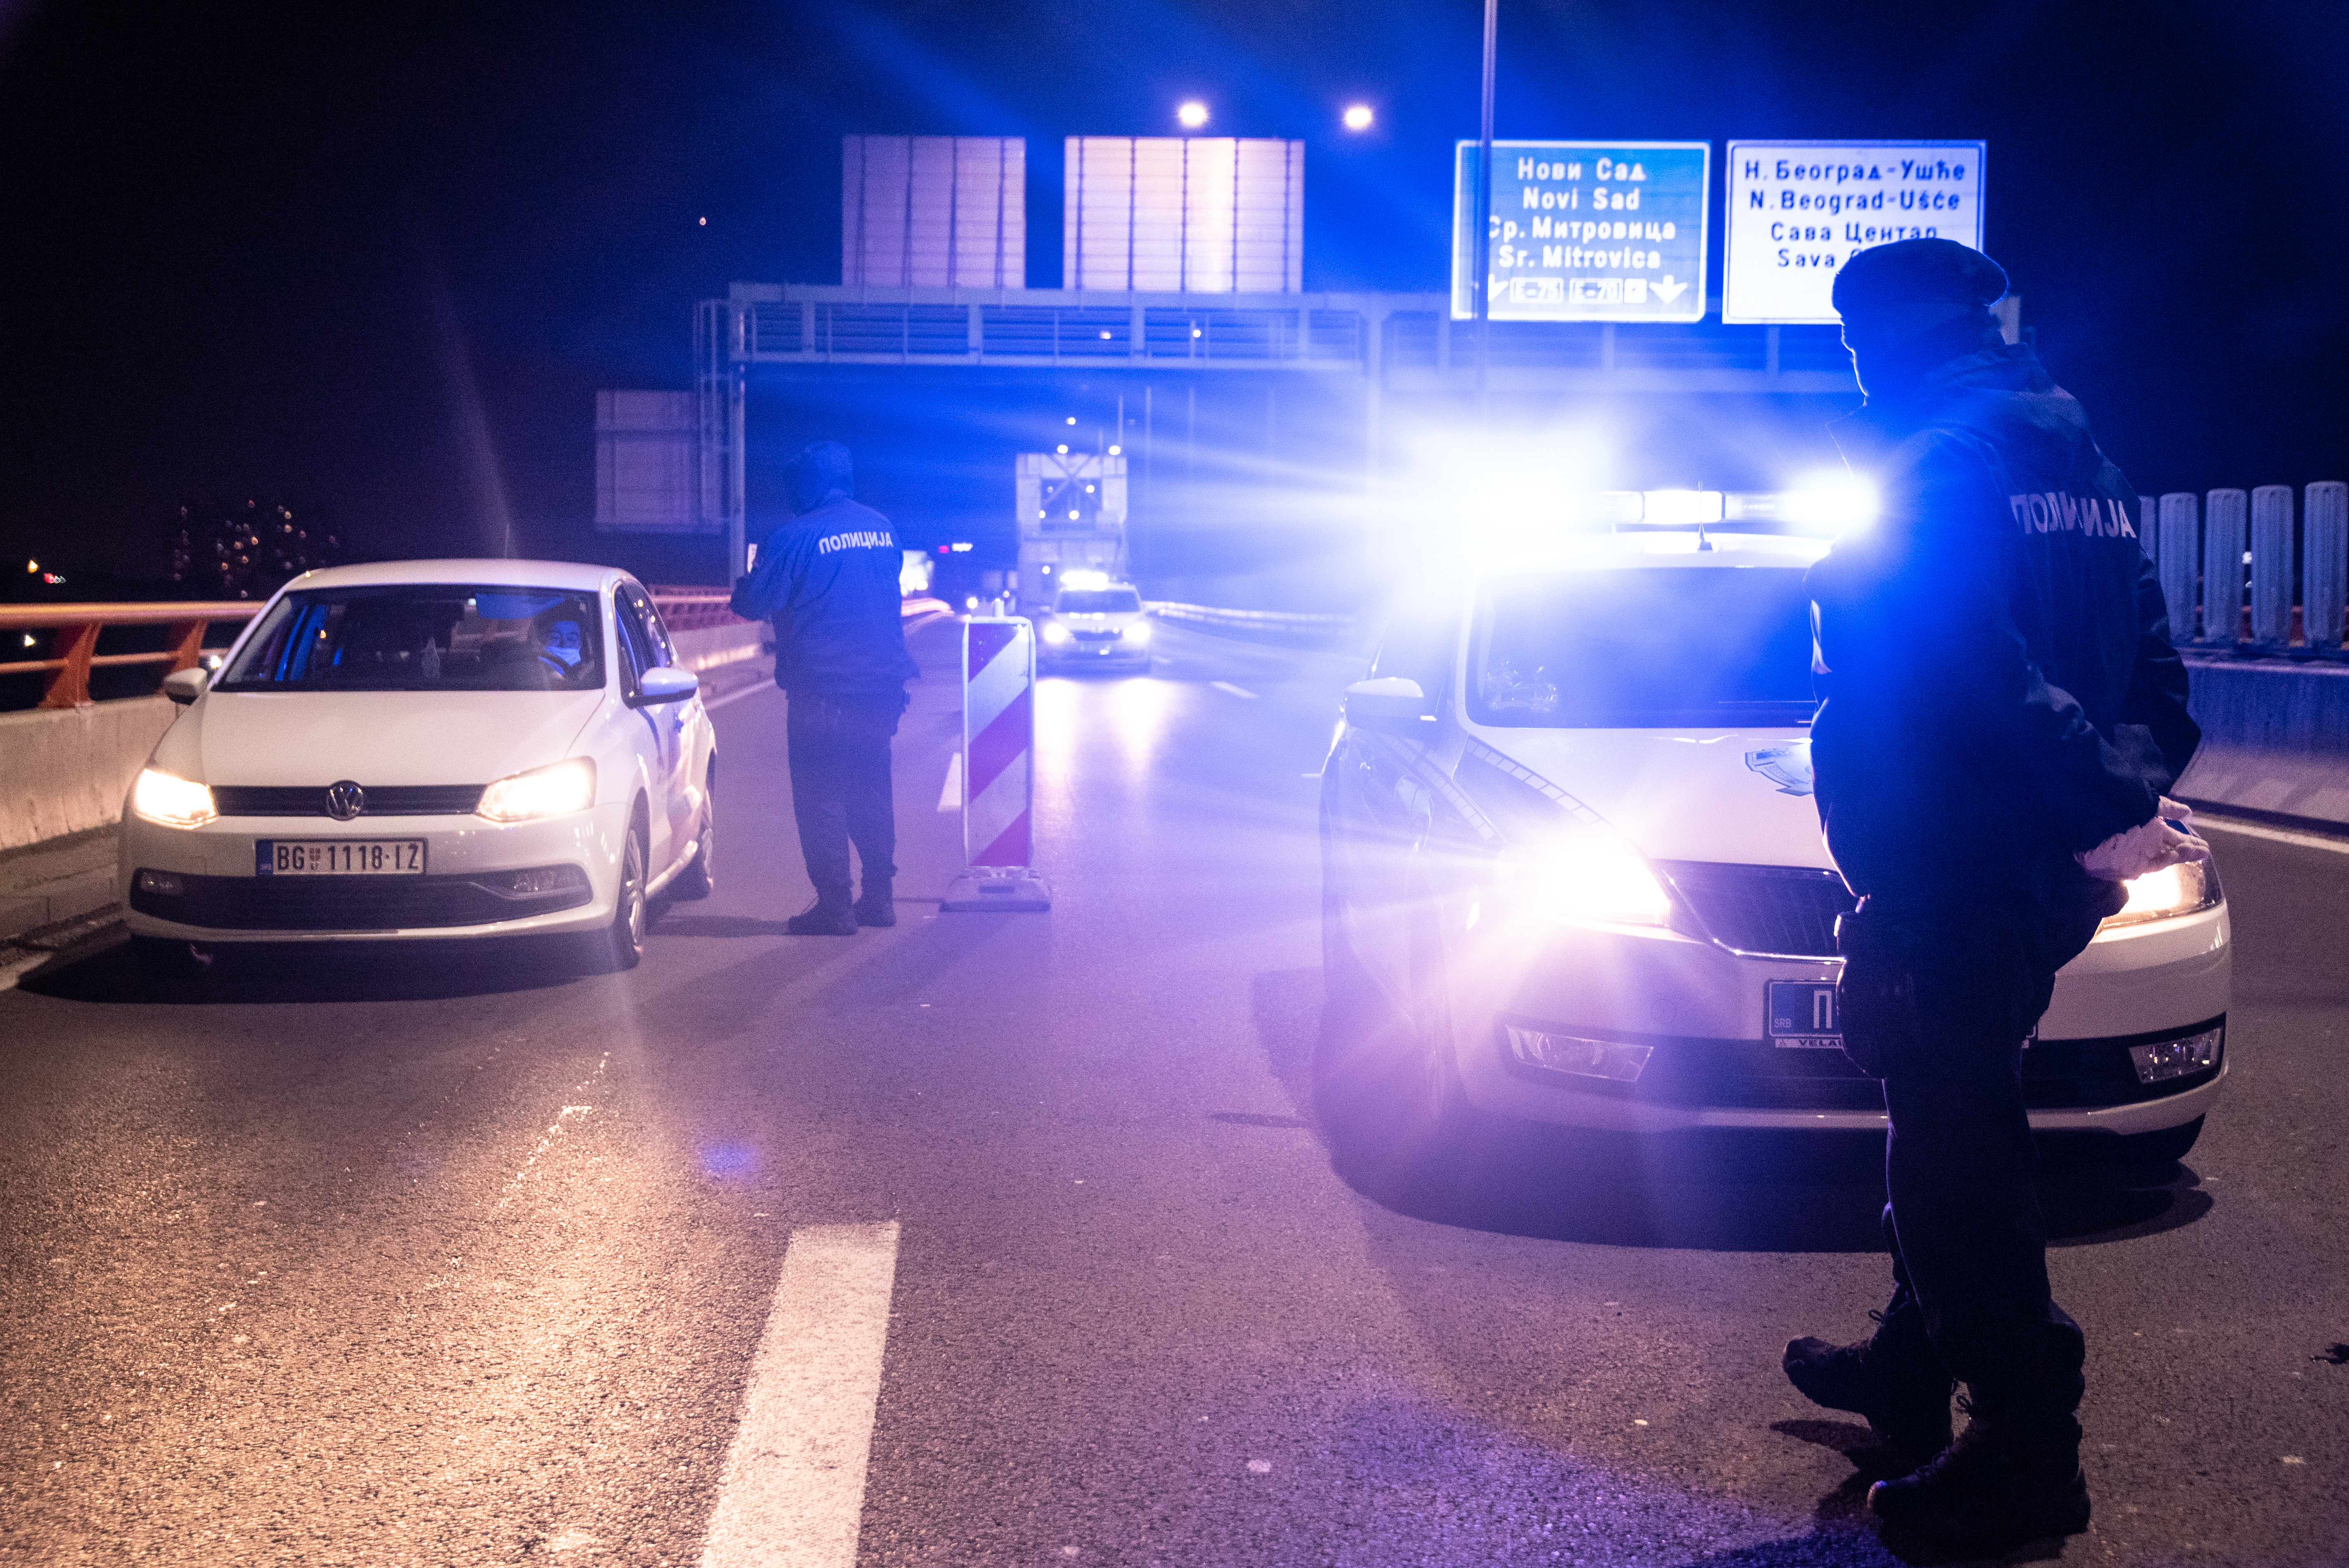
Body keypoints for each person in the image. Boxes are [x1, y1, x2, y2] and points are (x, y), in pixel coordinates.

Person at [1785, 239, 2208, 1553]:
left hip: (1948, 857)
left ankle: (2027, 1449)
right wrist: (2111, 801)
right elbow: (2159, 670)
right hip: (2034, 871)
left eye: (1860, 346)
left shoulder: (1923, 467)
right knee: (1957, 1106)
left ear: (1890, 341)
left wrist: (2092, 801)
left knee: (1956, 1150)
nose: (1857, 369)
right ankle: (1912, 1372)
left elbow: (1958, 669)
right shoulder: (2079, 462)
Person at [730, 440, 919, 935]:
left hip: (823, 689)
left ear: (804, 483)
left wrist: (745, 584)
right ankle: (879, 899)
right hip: (882, 687)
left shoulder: (793, 536)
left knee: (821, 797)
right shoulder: (883, 529)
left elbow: (756, 603)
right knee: (872, 790)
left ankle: (835, 907)